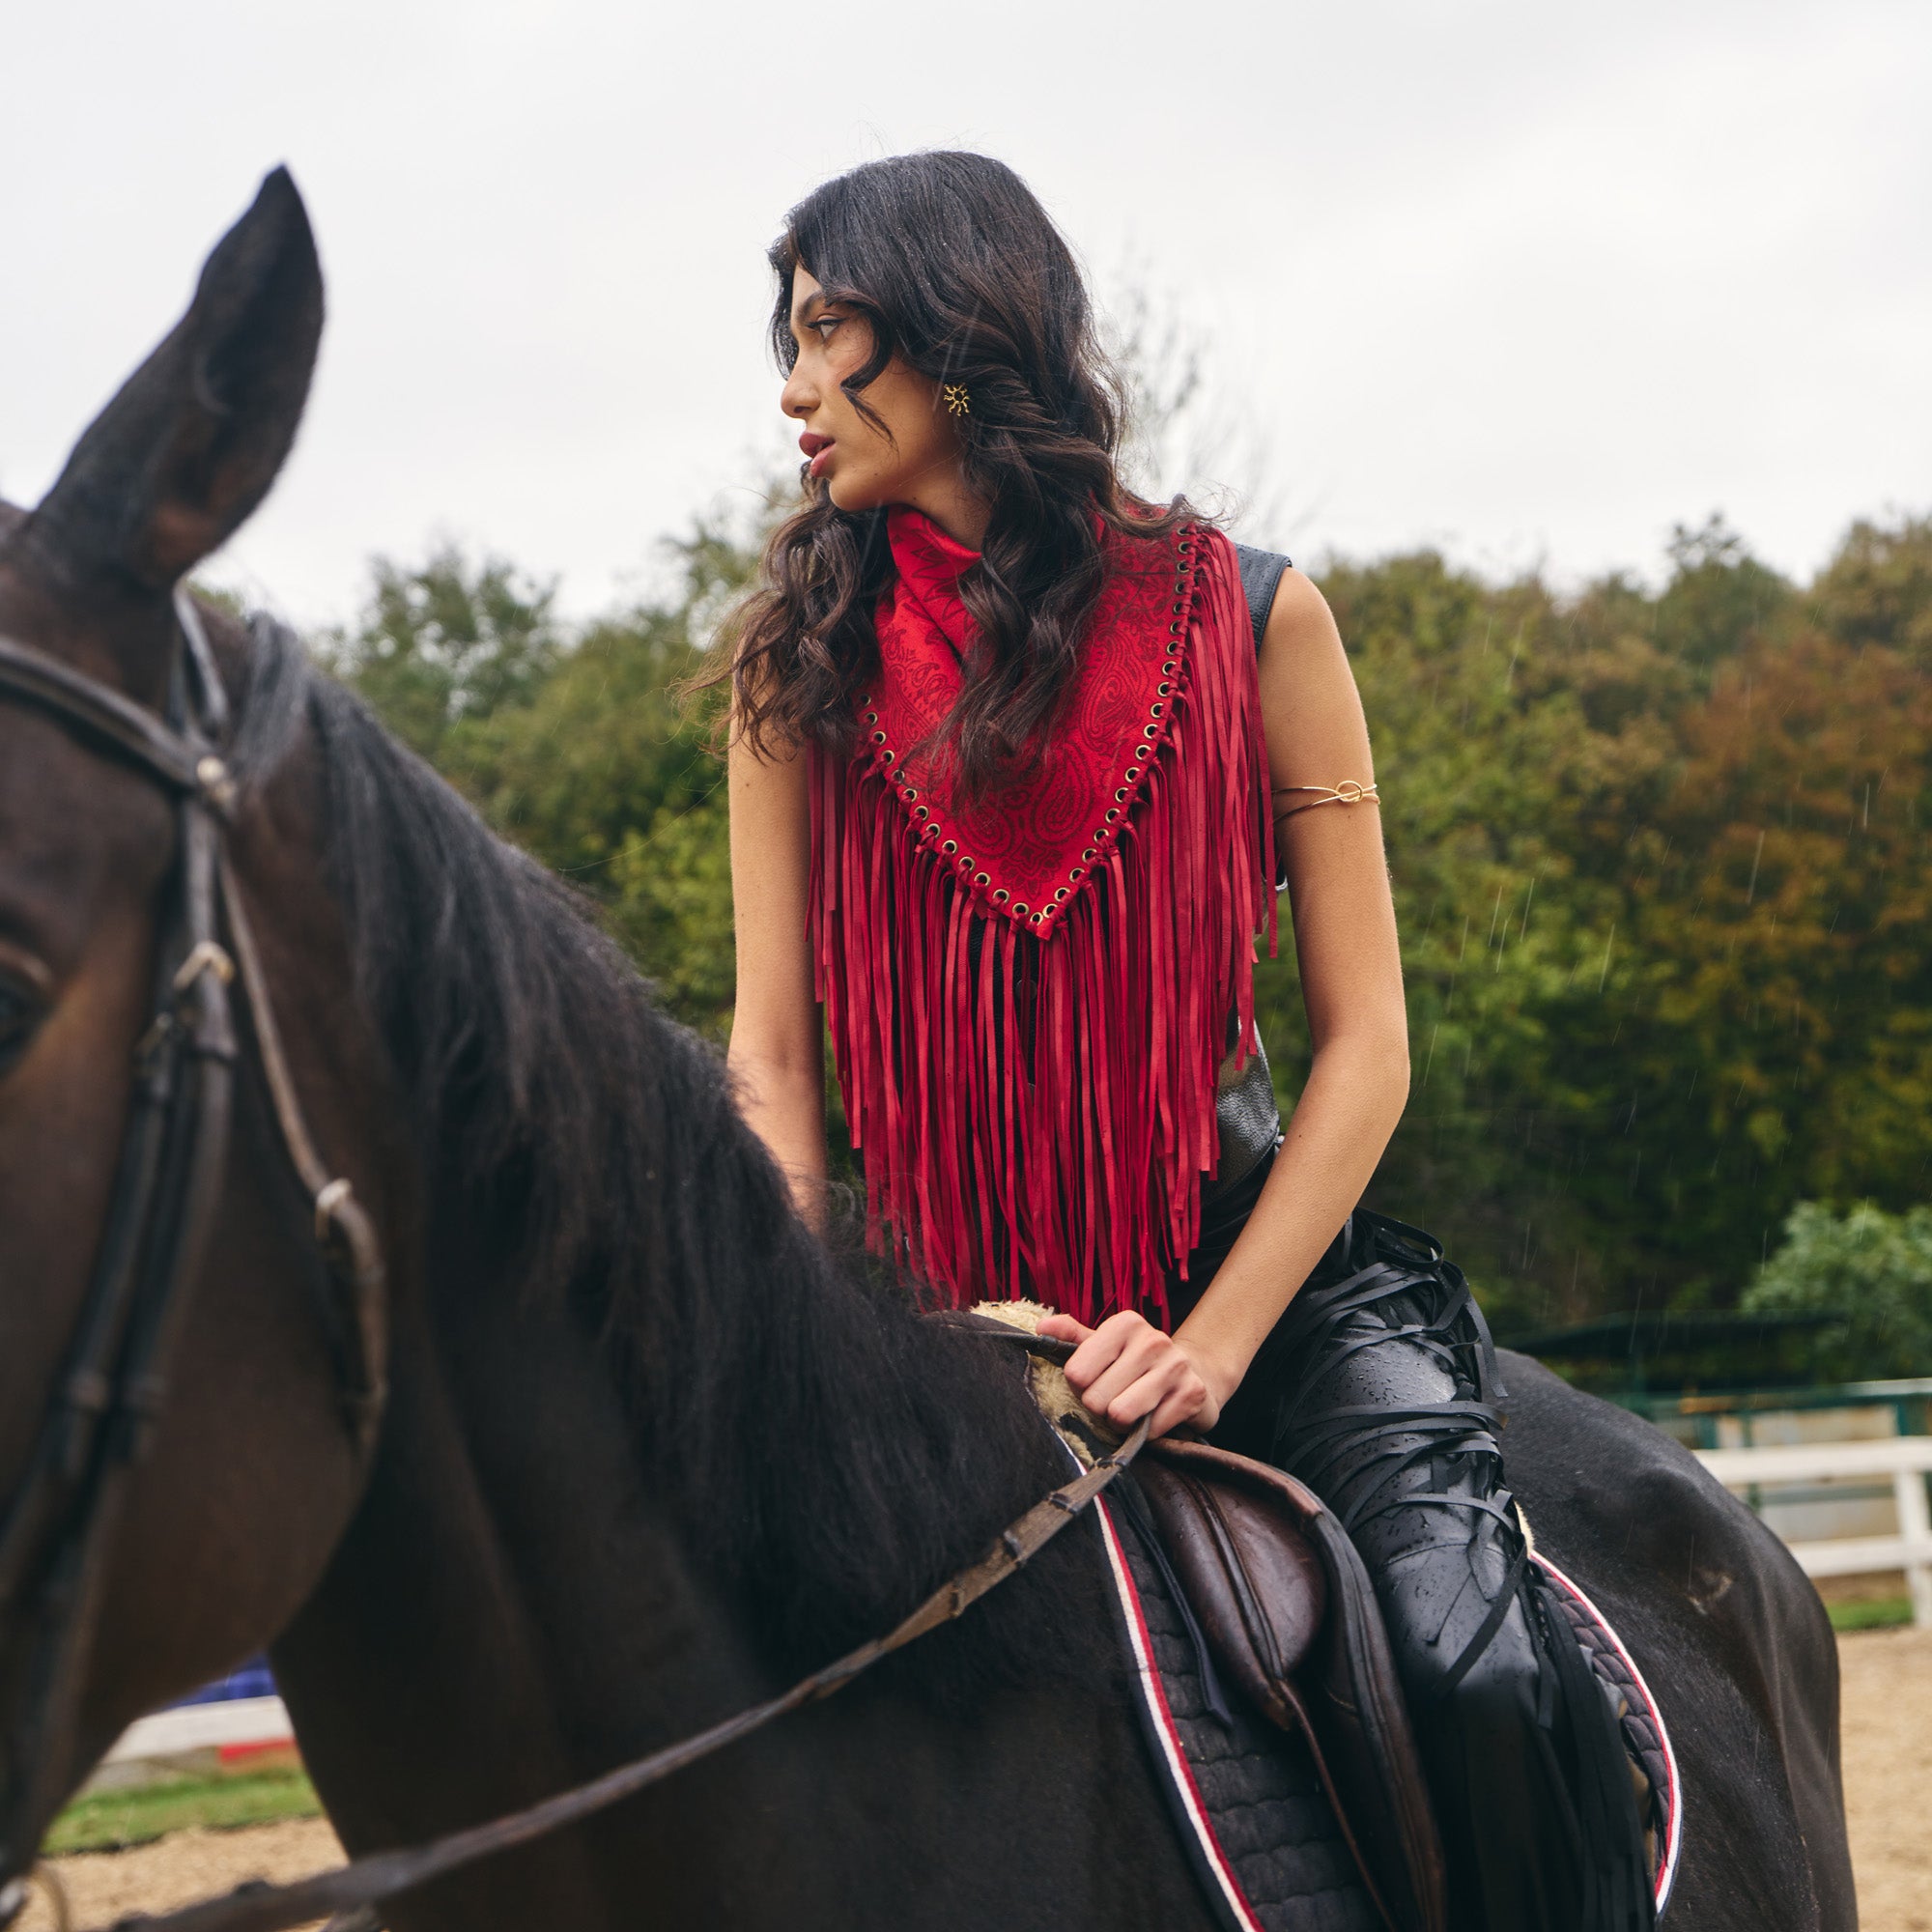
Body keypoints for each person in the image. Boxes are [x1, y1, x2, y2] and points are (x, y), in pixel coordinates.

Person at [723, 151, 1651, 1932]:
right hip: (926, 1325)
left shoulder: (1258, 615)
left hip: (1254, 1292)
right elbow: (772, 1061)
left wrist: (1212, 1345)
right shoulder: (797, 666)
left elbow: (1368, 1047)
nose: (793, 389)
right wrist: (798, 1336)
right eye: (790, 342)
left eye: (830, 334)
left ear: (960, 337)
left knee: (1474, 1672)